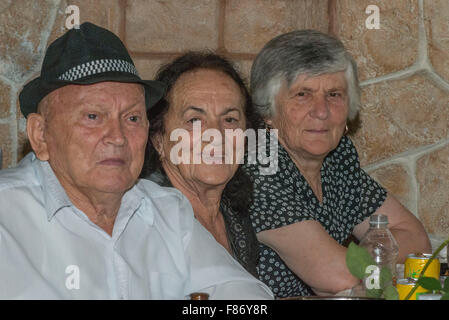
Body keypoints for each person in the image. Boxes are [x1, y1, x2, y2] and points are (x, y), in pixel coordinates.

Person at [0, 22, 273, 300]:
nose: (117, 137)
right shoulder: (7, 216)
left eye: (132, 118)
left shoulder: (167, 212)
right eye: (93, 116)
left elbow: (247, 297)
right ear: (41, 135)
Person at [242, 29, 432, 298]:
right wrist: (371, 259)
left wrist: (355, 262)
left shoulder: (337, 158)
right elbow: (336, 276)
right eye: (302, 94)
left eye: (334, 94)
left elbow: (416, 240)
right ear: (268, 111)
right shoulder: (259, 165)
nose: (322, 111)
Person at [142, 52, 261, 277]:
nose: (216, 135)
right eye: (194, 121)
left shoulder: (234, 218)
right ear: (158, 139)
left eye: (230, 120)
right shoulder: (146, 218)